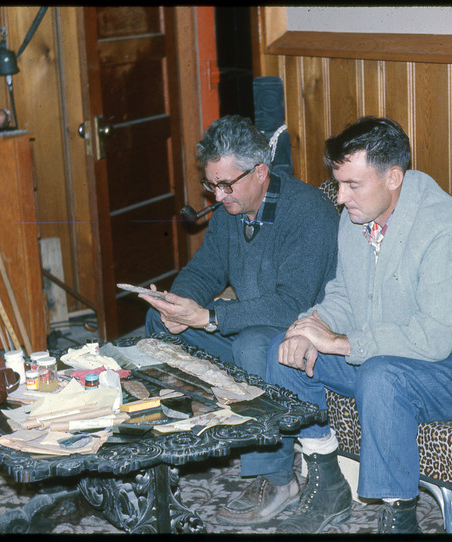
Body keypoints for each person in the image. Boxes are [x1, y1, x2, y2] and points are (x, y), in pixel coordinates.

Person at [251, 116, 452, 534]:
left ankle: (399, 518)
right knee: (282, 350)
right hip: (397, 355)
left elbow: (431, 340)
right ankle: (326, 485)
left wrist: (338, 343)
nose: (340, 198)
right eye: (338, 183)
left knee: (382, 376)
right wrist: (313, 324)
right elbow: (345, 291)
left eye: (352, 185)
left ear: (393, 176)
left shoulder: (447, 230)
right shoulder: (358, 217)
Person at [141, 115, 339, 525]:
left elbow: (291, 304)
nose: (217, 194)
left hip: (301, 336)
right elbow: (204, 270)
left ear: (261, 173)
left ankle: (277, 477)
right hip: (249, 327)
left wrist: (211, 316)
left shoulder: (307, 212)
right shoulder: (231, 210)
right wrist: (178, 305)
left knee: (251, 344)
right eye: (211, 184)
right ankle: (196, 433)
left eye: (226, 184)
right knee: (157, 323)